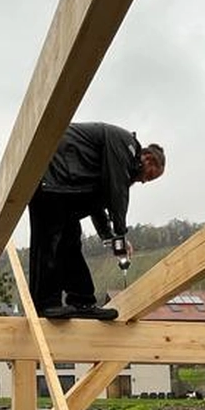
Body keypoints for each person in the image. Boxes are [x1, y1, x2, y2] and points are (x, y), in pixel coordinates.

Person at [28, 122, 165, 318]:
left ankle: (82, 302)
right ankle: (45, 304)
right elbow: (116, 191)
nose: (143, 181)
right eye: (149, 177)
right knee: (49, 243)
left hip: (62, 186)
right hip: (51, 176)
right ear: (148, 159)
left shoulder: (109, 163)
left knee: (70, 243)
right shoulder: (125, 144)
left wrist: (110, 238)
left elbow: (98, 204)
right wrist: (120, 235)